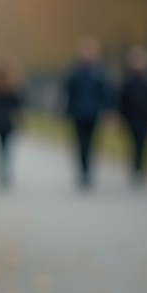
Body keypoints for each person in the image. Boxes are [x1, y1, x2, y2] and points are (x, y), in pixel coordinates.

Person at [63, 36, 112, 188]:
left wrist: (107, 111)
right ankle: (83, 171)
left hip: (94, 113)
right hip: (78, 113)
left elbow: (106, 93)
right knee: (80, 144)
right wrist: (67, 112)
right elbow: (69, 93)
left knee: (92, 144)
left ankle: (89, 171)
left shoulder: (100, 71)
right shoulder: (75, 71)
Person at [118, 47, 147, 185]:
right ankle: (136, 167)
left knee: (143, 144)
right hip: (131, 118)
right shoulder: (127, 82)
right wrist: (121, 119)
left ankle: (140, 168)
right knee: (133, 143)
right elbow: (122, 103)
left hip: (146, 118)